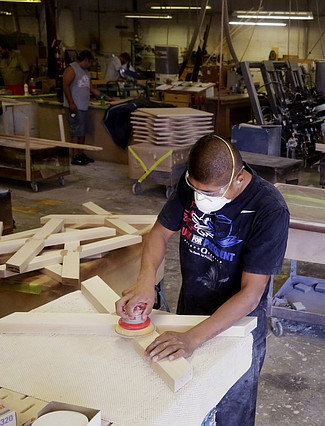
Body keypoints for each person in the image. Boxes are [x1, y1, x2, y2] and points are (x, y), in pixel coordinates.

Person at [116, 134, 290, 425]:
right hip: (190, 313)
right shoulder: (191, 185)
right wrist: (146, 281)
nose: (200, 199)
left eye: (210, 193)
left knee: (231, 410)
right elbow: (159, 233)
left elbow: (251, 294)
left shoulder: (269, 209)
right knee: (189, 402)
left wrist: (192, 338)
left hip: (238, 327)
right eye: (196, 190)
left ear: (237, 178)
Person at [62, 50, 113, 166]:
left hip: (83, 106)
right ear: (86, 60)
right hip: (75, 106)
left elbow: (92, 88)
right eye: (90, 62)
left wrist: (105, 97)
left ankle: (81, 153)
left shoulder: (86, 72)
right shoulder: (72, 69)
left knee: (82, 131)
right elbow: (65, 85)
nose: (91, 65)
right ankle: (75, 156)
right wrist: (71, 103)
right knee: (76, 132)